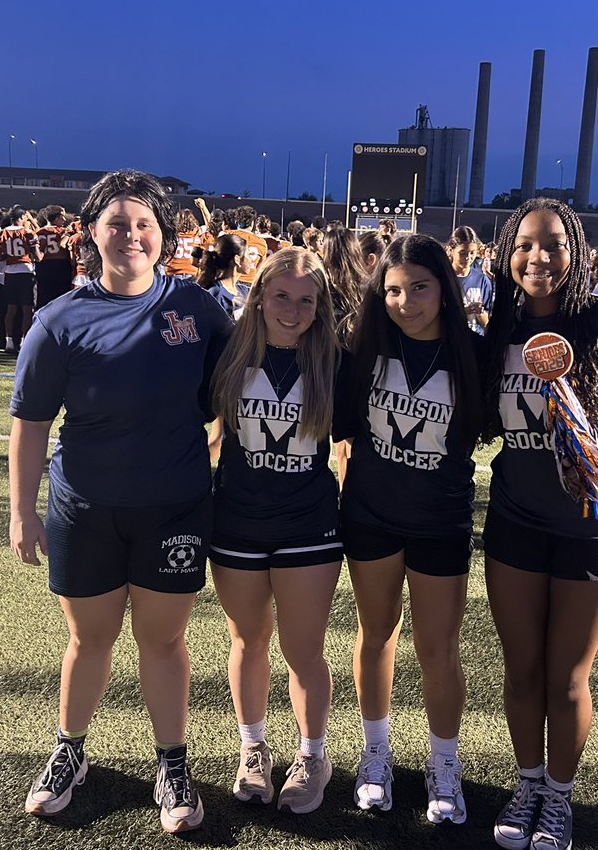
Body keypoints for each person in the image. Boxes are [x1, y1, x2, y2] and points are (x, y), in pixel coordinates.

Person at [9, 170, 232, 832]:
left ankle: (173, 764)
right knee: (89, 639)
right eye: (117, 223)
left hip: (174, 507)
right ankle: (70, 751)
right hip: (86, 508)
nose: (131, 235)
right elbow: (30, 423)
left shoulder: (197, 309)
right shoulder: (59, 320)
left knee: (163, 641)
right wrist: (22, 510)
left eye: (143, 224)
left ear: (163, 235)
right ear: (91, 233)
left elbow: (236, 385)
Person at [480, 199, 598, 850]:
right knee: (521, 671)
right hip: (515, 517)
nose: (538, 257)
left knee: (566, 680)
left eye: (554, 244)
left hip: (594, 523)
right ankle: (527, 784)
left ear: (578, 251)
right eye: (525, 245)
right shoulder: (503, 321)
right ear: (508, 254)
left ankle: (558, 798)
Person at [334, 234, 482, 825]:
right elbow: (342, 426)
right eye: (393, 290)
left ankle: (444, 762)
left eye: (419, 287)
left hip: (441, 520)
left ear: (444, 287)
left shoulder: (473, 353)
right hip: (370, 515)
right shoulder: (364, 347)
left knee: (438, 648)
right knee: (376, 633)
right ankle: (376, 754)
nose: (406, 302)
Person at [207, 248, 342, 814]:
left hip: (308, 524)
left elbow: (354, 442)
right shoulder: (227, 352)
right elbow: (203, 429)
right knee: (247, 640)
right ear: (259, 293)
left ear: (321, 305)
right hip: (237, 520)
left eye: (306, 300)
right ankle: (253, 747)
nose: (292, 310)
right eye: (281, 295)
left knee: (303, 649)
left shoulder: (335, 361)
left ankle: (313, 755)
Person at [0, 206, 37, 352]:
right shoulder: (28, 233)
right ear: (21, 218)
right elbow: (38, 256)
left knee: (11, 308)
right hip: (25, 271)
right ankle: (25, 340)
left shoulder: (2, 233)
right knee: (27, 309)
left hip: (9, 272)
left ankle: (9, 341)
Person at [448, 225, 494, 335]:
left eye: (472, 252)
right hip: (449, 339)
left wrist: (479, 312)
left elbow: (487, 323)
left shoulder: (482, 280)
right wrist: (461, 312)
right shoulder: (442, 278)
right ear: (451, 251)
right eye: (462, 253)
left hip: (475, 340)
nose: (468, 257)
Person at [197, 233, 248, 319]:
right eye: (249, 254)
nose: (251, 260)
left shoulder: (243, 290)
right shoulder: (216, 294)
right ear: (237, 259)